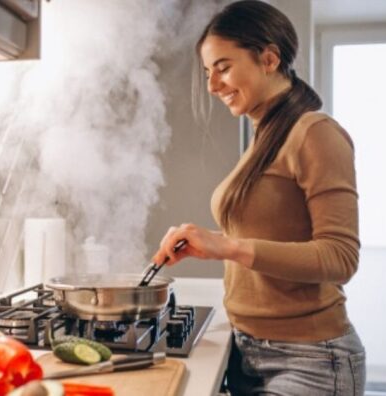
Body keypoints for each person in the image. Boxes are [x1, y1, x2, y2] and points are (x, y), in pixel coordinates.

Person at [151, 1, 366, 394]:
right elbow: (271, 231)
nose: (213, 86)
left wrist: (227, 247)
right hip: (247, 351)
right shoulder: (264, 137)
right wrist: (205, 242)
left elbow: (341, 257)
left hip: (312, 361)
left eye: (224, 67)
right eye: (207, 73)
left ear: (269, 59)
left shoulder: (315, 132)